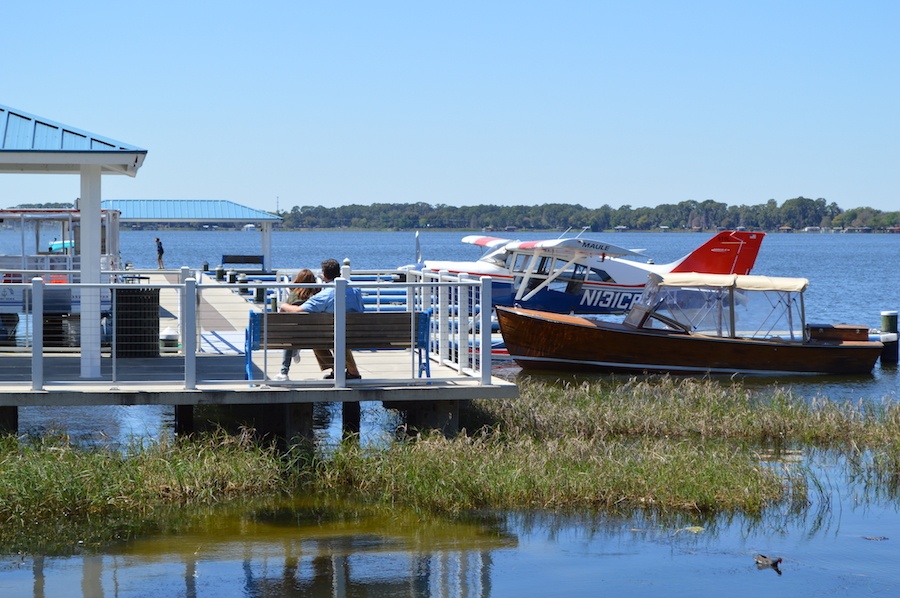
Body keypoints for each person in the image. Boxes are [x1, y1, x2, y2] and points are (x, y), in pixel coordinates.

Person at [280, 258, 364, 379]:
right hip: (359, 333)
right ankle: (343, 370)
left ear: (324, 275)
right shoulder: (356, 289)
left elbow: (299, 310)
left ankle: (343, 370)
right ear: (339, 272)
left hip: (338, 335)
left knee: (317, 334)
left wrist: (284, 306)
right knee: (337, 331)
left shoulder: (326, 294)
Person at [274, 269, 320, 381]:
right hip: (316, 335)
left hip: (294, 334)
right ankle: (335, 370)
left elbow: (282, 314)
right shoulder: (317, 296)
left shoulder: (294, 295)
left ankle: (284, 372)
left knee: (291, 335)